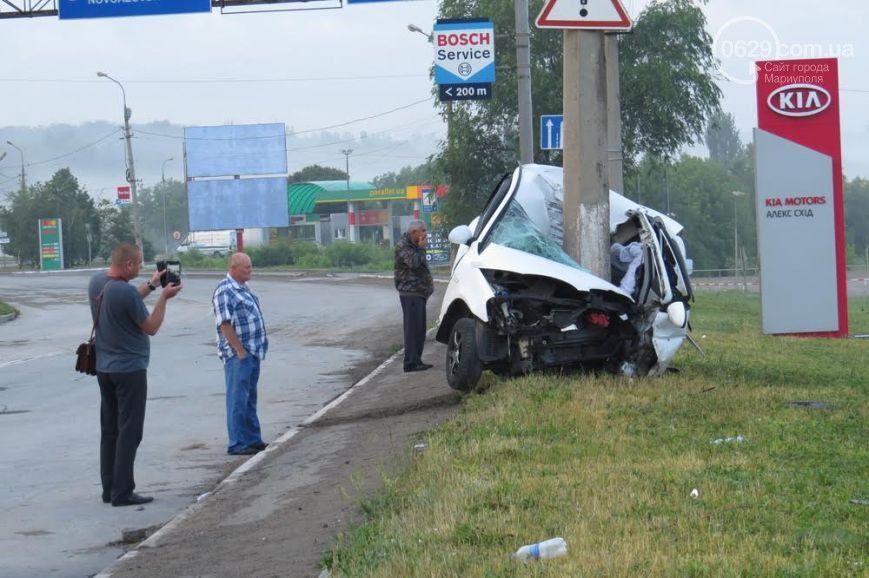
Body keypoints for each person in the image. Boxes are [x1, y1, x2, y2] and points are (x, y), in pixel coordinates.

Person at [88, 242, 182, 507]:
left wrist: (152, 286)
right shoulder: (126, 293)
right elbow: (150, 326)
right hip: (129, 370)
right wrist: (163, 297)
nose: (142, 268)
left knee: (110, 430)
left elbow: (125, 303)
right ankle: (123, 491)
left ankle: (109, 488)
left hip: (104, 368)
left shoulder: (97, 282)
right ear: (128, 265)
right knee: (130, 431)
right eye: (139, 264)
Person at [212, 252, 269, 456]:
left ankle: (253, 439)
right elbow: (224, 323)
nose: (250, 270)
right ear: (234, 268)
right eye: (246, 267)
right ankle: (237, 443)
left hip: (253, 351)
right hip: (239, 354)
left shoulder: (242, 288)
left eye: (250, 267)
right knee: (237, 398)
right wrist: (239, 350)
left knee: (249, 397)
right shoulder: (225, 290)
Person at [394, 220, 434, 372]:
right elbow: (415, 264)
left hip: (419, 293)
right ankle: (410, 363)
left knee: (419, 328)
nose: (425, 234)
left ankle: (417, 360)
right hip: (410, 293)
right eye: (423, 230)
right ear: (414, 233)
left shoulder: (414, 246)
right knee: (412, 329)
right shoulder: (403, 246)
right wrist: (422, 249)